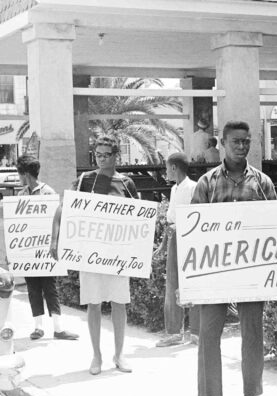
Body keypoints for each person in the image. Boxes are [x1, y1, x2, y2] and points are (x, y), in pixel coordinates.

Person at [191, 121, 277, 396]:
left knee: (253, 336)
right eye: (235, 142)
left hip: (251, 274)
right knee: (208, 335)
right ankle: (210, 395)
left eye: (246, 141)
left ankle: (250, 394)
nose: (241, 147)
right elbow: (193, 231)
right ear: (223, 143)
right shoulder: (207, 182)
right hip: (214, 274)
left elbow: (276, 228)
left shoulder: (263, 182)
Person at [50, 135, 138, 375]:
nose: (101, 158)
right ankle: (96, 356)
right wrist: (55, 238)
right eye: (97, 155)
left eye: (106, 155)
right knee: (94, 304)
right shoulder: (84, 181)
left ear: (115, 155)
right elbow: (63, 207)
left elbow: (139, 217)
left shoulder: (126, 183)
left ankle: (119, 354)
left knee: (120, 303)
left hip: (118, 256)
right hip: (90, 255)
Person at [16, 155, 79, 341]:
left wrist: (54, 243)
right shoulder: (21, 195)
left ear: (25, 174)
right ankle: (38, 327)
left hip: (45, 251)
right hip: (29, 251)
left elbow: (57, 220)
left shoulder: (48, 193)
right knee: (33, 288)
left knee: (49, 287)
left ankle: (58, 328)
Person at [154, 153, 200, 347]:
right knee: (173, 282)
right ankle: (174, 332)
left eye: (167, 168)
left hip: (190, 237)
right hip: (174, 236)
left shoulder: (194, 187)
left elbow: (197, 215)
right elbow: (170, 220)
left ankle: (197, 332)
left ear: (174, 168)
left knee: (193, 282)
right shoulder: (174, 189)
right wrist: (164, 244)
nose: (166, 172)